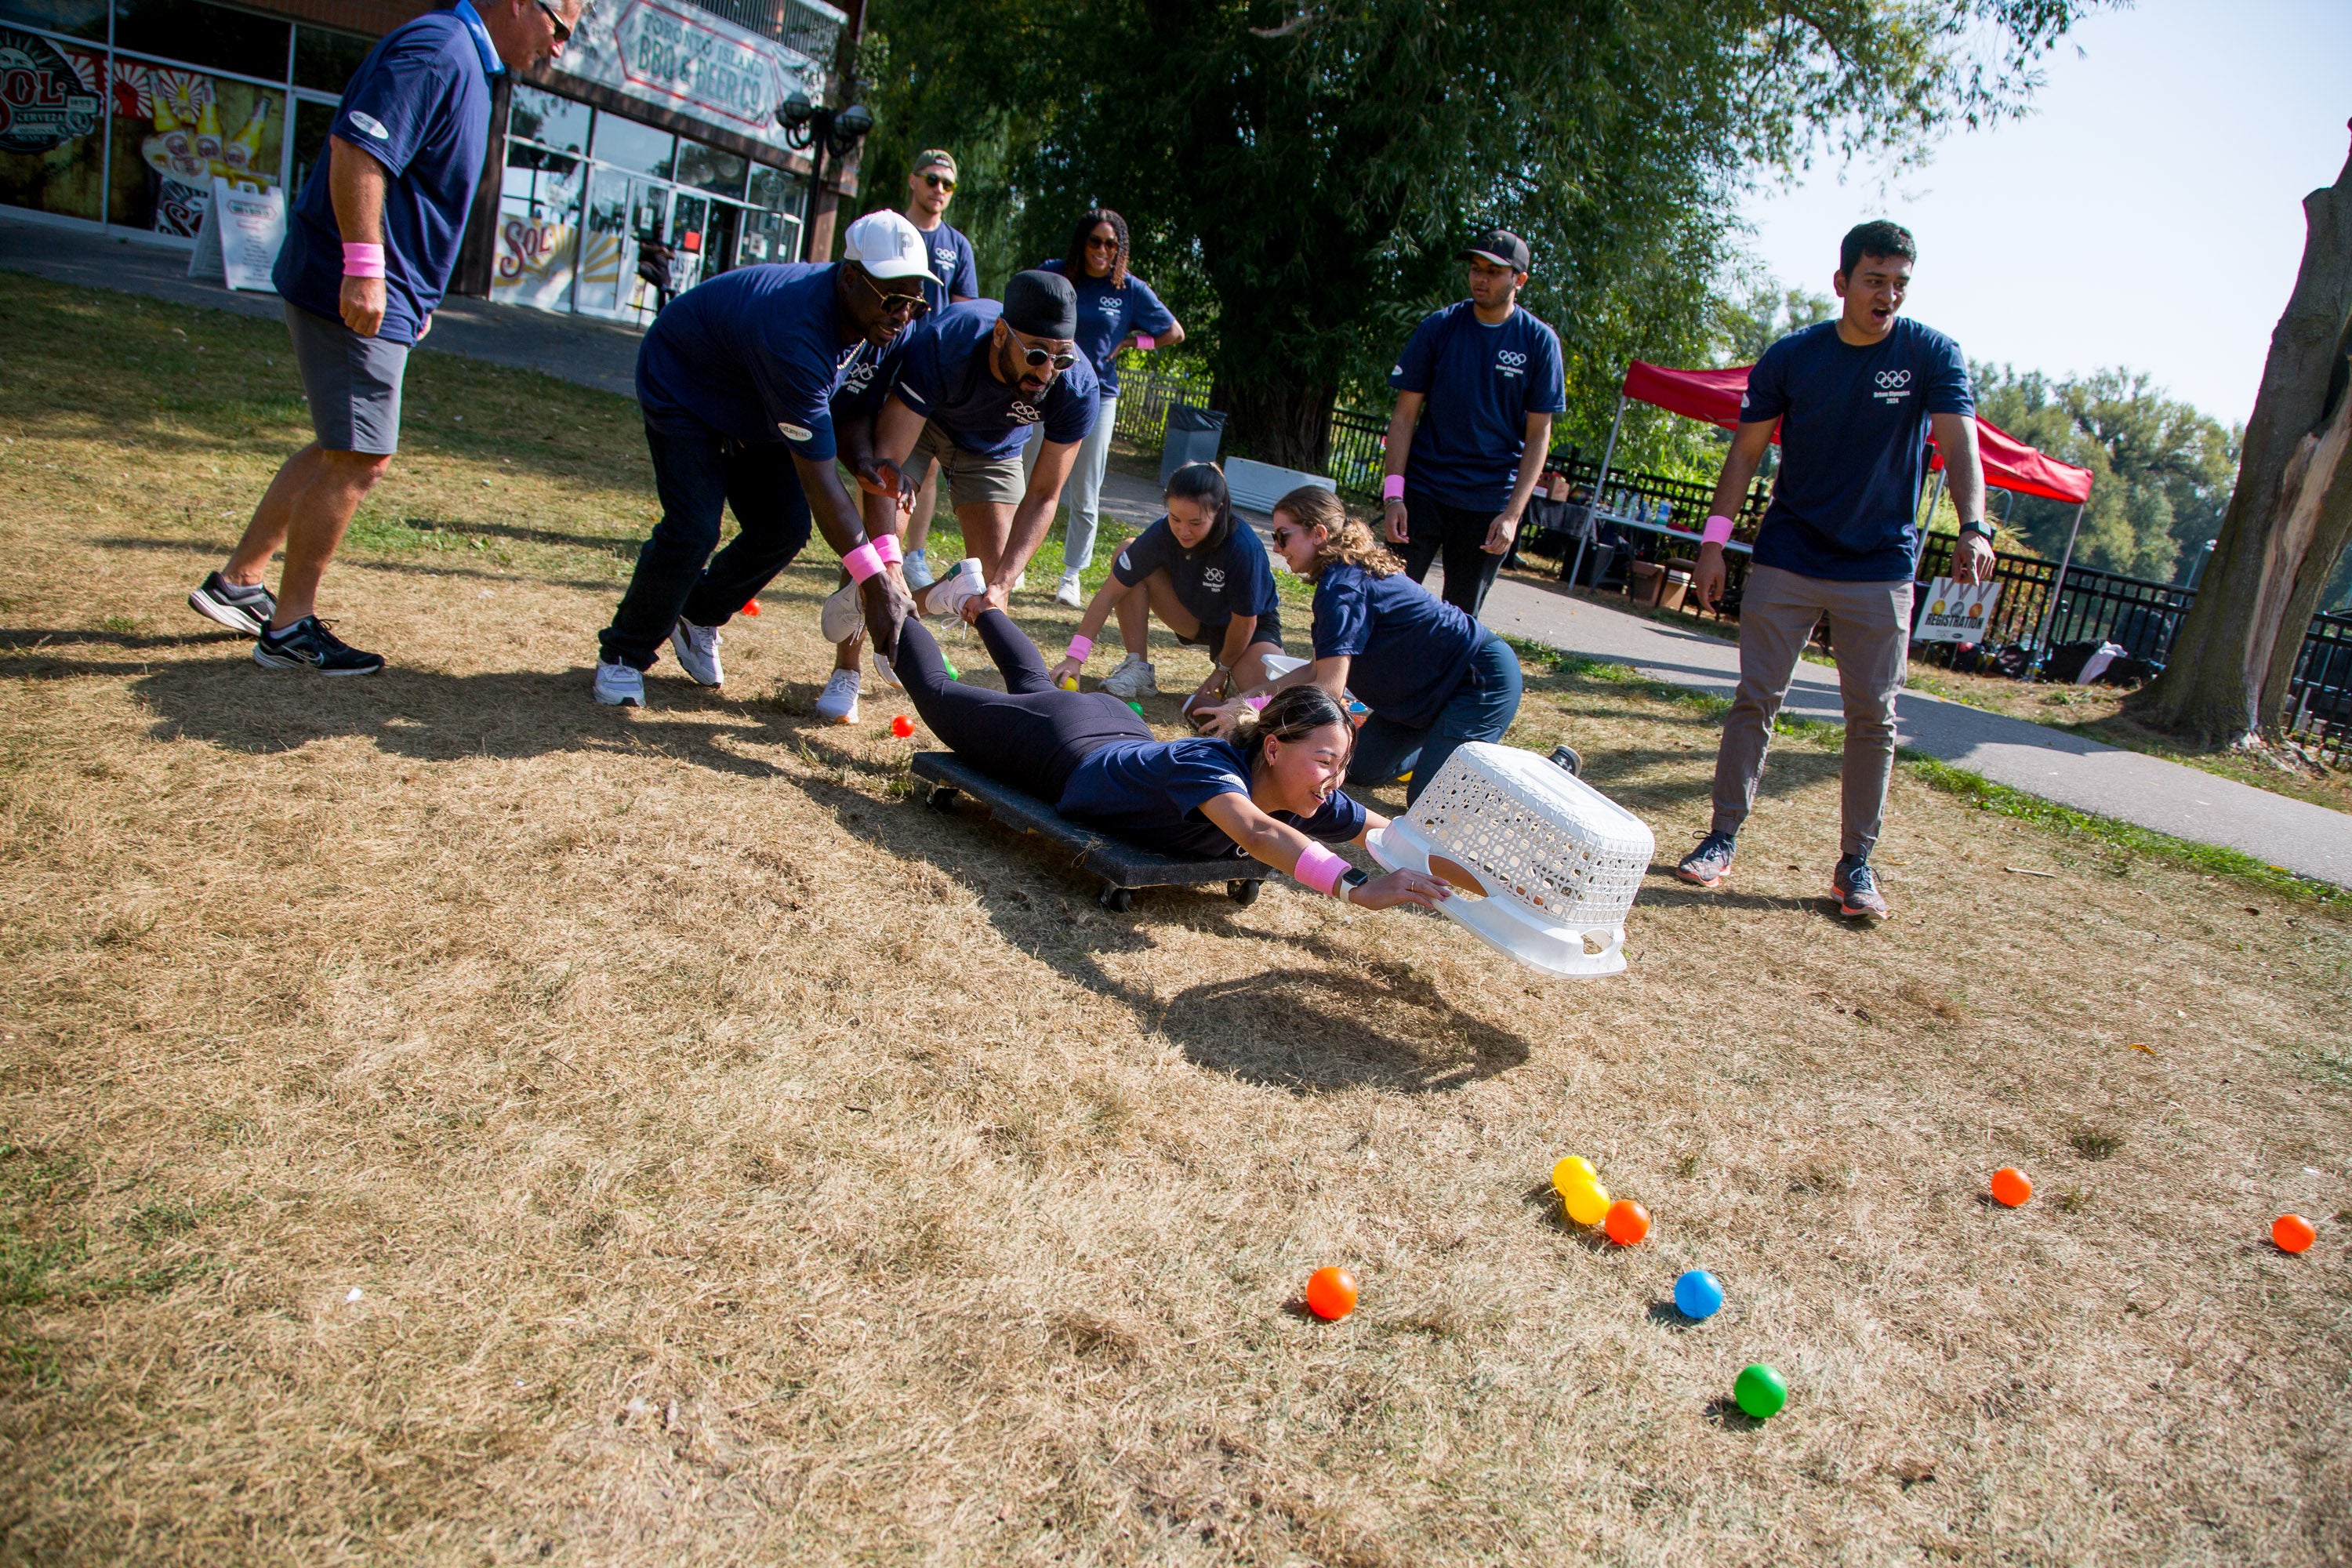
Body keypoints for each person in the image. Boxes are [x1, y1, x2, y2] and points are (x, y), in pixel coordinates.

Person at [186, 0, 582, 674]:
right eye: (561, 27)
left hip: (382, 293)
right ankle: (289, 628)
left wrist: (414, 295)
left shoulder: (465, 60)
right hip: (354, 289)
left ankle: (239, 583)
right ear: (521, 4)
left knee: (339, 443)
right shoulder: (440, 49)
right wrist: (367, 272)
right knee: (362, 456)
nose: (560, 47)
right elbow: (359, 150)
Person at [1675, 220, 1989, 920]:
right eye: (1875, 281)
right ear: (1842, 282)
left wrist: (1973, 525)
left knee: (1874, 717)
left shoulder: (1931, 353)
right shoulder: (1795, 357)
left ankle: (1856, 864)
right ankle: (1721, 838)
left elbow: (1960, 442)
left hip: (1880, 567)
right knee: (1756, 699)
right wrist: (1714, 542)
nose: (1889, 296)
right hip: (1790, 555)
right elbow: (1745, 454)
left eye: (1900, 284)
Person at [895, 594, 1451, 912]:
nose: (1335, 781)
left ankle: (973, 599)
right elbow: (1261, 836)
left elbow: (1388, 834)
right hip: (1061, 745)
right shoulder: (1211, 768)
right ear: (1274, 749)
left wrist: (1482, 882)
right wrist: (1358, 888)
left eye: (1343, 766)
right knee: (939, 695)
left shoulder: (1303, 791)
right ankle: (887, 592)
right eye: (1326, 762)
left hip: (1119, 731)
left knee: (1034, 682)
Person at [586, 209, 935, 707]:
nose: (904, 314)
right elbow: (818, 482)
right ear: (850, 278)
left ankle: (698, 613)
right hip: (686, 386)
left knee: (782, 529)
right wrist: (877, 585)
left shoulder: (881, 322)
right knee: (693, 529)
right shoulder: (795, 331)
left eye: (914, 302)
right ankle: (623, 653)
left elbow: (854, 402)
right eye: (893, 298)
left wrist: (859, 455)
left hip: (760, 403)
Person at [815, 269, 1098, 724]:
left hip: (994, 447)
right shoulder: (948, 341)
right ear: (1001, 334)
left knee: (989, 578)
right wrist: (886, 570)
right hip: (925, 423)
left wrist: (1003, 587)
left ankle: (940, 593)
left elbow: (1045, 493)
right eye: (1037, 355)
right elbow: (886, 461)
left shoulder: (1076, 385)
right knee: (878, 538)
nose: (1048, 372)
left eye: (1061, 359)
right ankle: (846, 669)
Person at [1199, 488, 1523, 806]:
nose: (1277, 547)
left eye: (1283, 536)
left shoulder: (1341, 587)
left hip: (1478, 678)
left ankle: (1520, 768)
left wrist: (1255, 716)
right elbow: (1314, 669)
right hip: (1422, 697)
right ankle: (1445, 744)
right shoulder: (1339, 577)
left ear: (1318, 533)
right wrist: (1243, 701)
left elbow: (1329, 687)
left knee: (1430, 801)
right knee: (1360, 768)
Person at [1378, 227, 1566, 619]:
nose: (1481, 278)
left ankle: (1440, 682)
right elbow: (1404, 416)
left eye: (1495, 272)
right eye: (1476, 269)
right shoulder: (1439, 327)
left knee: (1458, 620)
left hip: (1488, 502)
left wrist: (1513, 515)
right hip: (1423, 491)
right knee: (1386, 602)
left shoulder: (1539, 342)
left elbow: (1538, 436)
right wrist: (1394, 496)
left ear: (1520, 280)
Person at [1032, 208, 1184, 607]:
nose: (1103, 250)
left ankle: (1071, 574)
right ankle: (1015, 560)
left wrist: (1133, 343)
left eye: (1111, 244)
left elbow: (1173, 332)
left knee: (1086, 488)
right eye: (1095, 241)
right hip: (1043, 385)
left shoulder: (1129, 290)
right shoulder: (1056, 274)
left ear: (1120, 250)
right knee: (1029, 475)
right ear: (1082, 243)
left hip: (1097, 395)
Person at [1051, 462, 1281, 710]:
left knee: (1271, 700)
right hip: (1196, 617)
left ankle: (1237, 671)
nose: (1184, 531)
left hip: (1250, 628)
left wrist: (1222, 669)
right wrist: (1075, 657)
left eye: (1196, 522)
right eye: (1175, 518)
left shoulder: (1242, 547)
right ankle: (1139, 666)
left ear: (1220, 510)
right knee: (1126, 553)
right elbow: (1108, 594)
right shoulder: (1161, 534)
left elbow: (1246, 622)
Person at [898, 148, 980, 591]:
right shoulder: (893, 228)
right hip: (890, 361)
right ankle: (874, 542)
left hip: (934, 371)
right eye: (932, 180)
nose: (939, 191)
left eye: (948, 185)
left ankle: (914, 555)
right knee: (884, 456)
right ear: (913, 181)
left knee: (927, 465)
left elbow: (966, 313)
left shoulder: (957, 245)